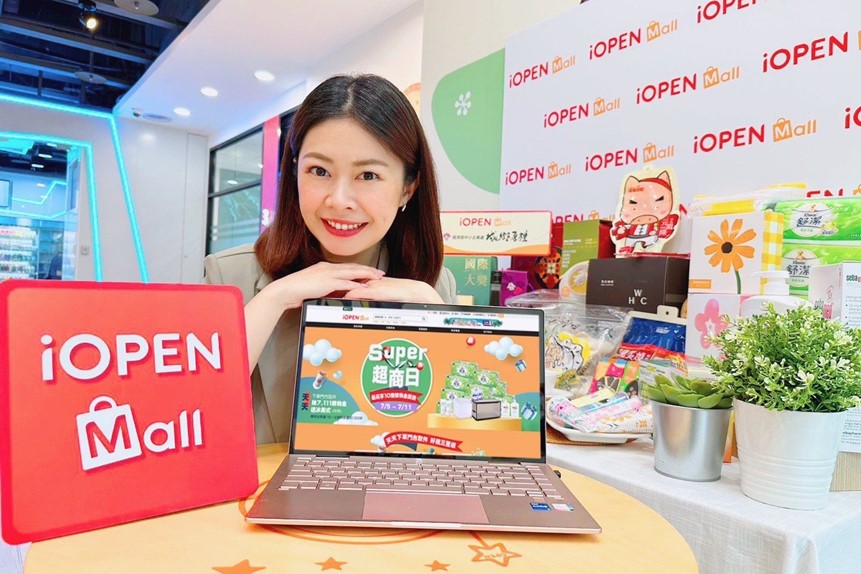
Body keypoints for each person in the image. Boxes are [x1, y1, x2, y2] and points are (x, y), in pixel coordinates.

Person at [204, 74, 456, 444]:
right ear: (294, 172)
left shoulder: (433, 285)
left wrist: (441, 320)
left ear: (408, 188)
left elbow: (455, 431)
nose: (339, 200)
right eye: (319, 171)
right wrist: (273, 299)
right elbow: (192, 417)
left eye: (368, 175)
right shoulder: (229, 276)